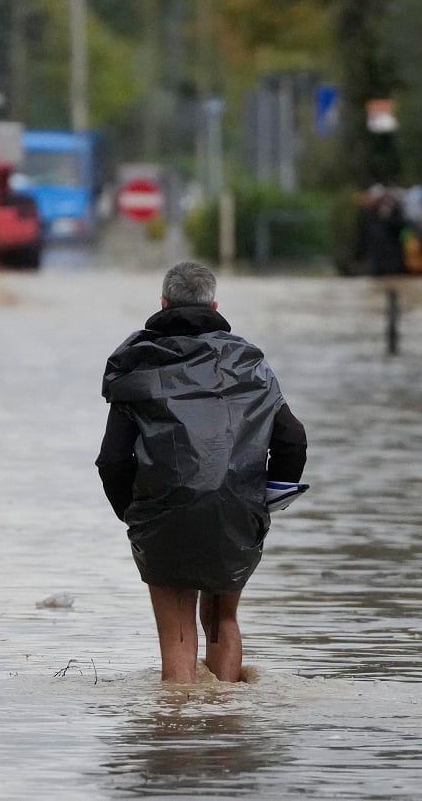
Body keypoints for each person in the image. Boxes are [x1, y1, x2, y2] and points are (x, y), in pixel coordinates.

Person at [95, 261, 307, 683]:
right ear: (214, 305)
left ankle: (178, 732)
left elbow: (114, 459)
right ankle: (224, 727)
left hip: (163, 515)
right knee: (222, 619)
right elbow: (293, 439)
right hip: (236, 509)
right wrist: (267, 500)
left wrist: (134, 514)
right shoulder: (251, 365)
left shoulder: (137, 365)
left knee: (177, 634)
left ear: (162, 303)